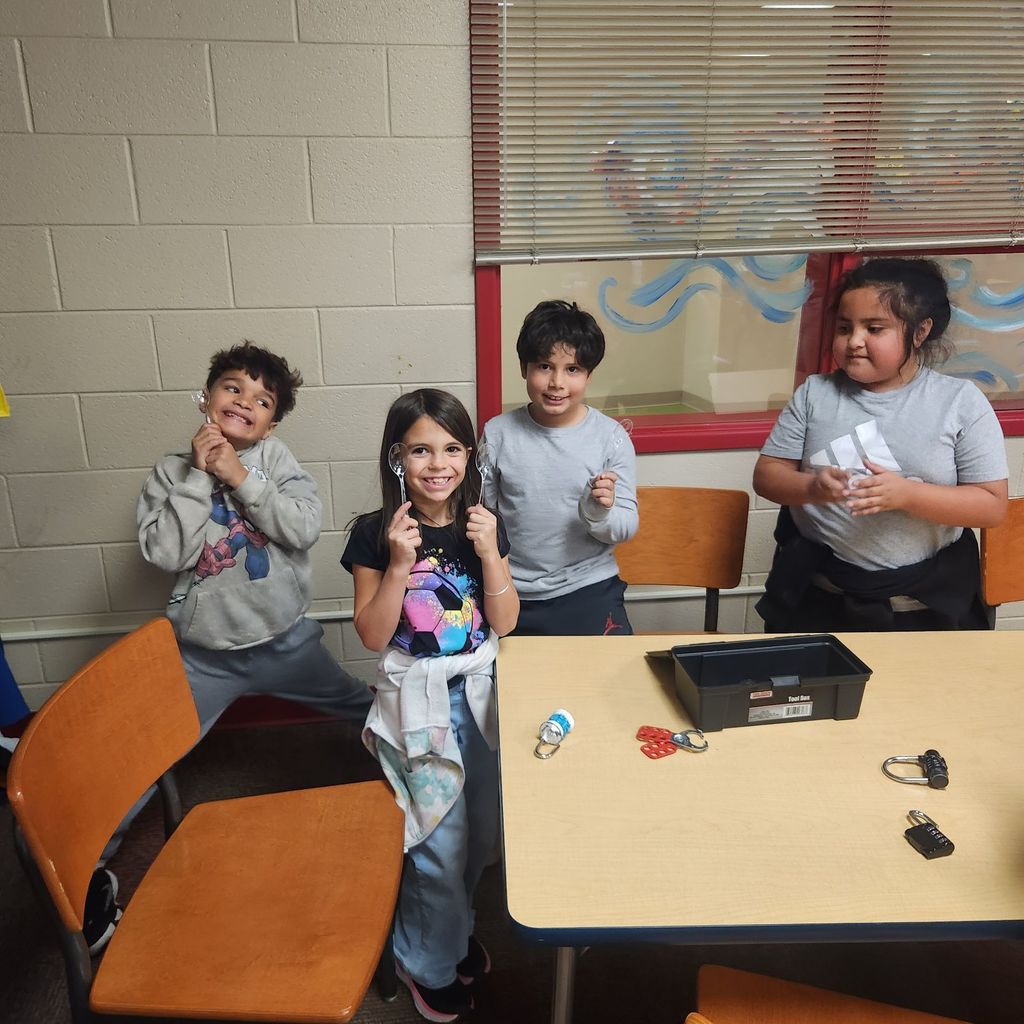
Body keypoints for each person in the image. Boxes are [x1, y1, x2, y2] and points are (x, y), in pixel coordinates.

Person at [102, 343, 375, 946]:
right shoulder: (170, 473)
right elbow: (168, 554)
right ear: (207, 397)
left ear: (272, 422)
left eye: (261, 400)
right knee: (148, 751)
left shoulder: (276, 460)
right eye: (233, 389)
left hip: (286, 642)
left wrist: (239, 477)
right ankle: (87, 867)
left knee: (364, 706)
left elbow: (303, 529)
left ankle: (423, 789)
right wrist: (203, 477)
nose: (244, 403)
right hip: (204, 658)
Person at [341, 388, 518, 1023]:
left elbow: (506, 620)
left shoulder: (481, 523)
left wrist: (492, 550)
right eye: (420, 449)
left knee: (478, 840)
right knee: (437, 847)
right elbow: (370, 634)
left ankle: (449, 932)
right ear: (397, 458)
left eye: (450, 448)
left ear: (469, 455)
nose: (437, 463)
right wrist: (397, 564)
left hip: (478, 699)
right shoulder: (373, 533)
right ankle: (425, 960)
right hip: (415, 709)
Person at [753, 257, 1008, 632]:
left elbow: (991, 507)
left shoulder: (960, 402)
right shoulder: (815, 394)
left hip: (922, 609)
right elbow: (767, 477)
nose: (854, 341)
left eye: (874, 328)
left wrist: (906, 495)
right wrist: (811, 488)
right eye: (844, 327)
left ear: (920, 332)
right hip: (819, 601)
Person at [480, 299, 639, 635]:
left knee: (610, 681)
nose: (557, 383)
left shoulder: (610, 438)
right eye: (544, 366)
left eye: (572, 369)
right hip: (511, 589)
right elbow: (485, 517)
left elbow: (625, 527)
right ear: (524, 367)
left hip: (589, 587)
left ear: (589, 375)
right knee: (511, 685)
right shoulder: (497, 434)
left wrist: (598, 513)